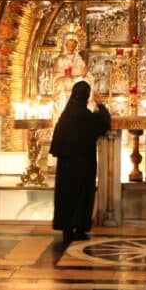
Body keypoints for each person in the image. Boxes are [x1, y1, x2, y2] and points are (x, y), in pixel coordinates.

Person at [49, 80, 111, 247]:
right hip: (84, 163)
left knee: (66, 196)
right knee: (83, 195)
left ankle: (66, 230)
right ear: (86, 96)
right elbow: (104, 124)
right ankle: (80, 229)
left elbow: (56, 144)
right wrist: (101, 105)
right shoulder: (87, 116)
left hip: (66, 165)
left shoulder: (65, 117)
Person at [51, 26, 93, 113]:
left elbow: (88, 78)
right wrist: (79, 78)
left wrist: (85, 77)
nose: (72, 45)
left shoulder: (79, 60)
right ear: (65, 44)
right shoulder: (60, 60)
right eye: (70, 42)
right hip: (64, 95)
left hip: (79, 97)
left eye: (74, 43)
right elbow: (57, 81)